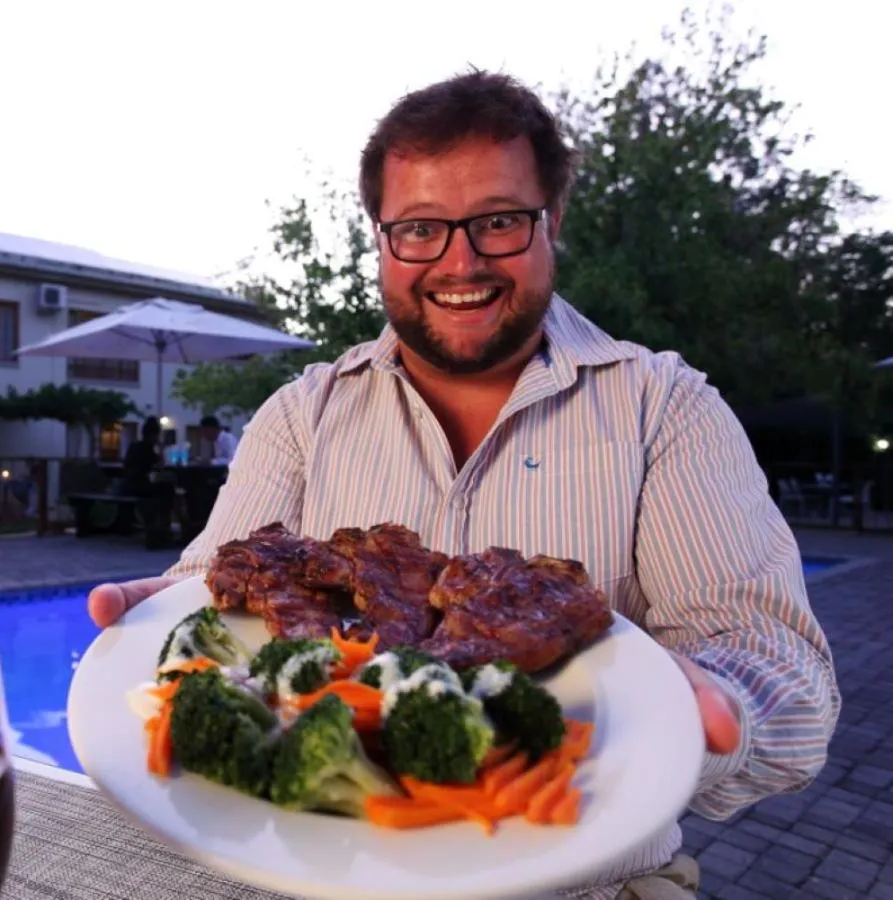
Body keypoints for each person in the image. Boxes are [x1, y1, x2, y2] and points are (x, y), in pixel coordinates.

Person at [86, 71, 838, 899]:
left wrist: (700, 708)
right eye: (419, 229)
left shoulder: (665, 408)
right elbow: (210, 597)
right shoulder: (299, 416)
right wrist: (159, 618)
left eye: (498, 222)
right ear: (382, 240)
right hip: (317, 875)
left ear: (550, 222)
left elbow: (789, 686)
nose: (460, 260)